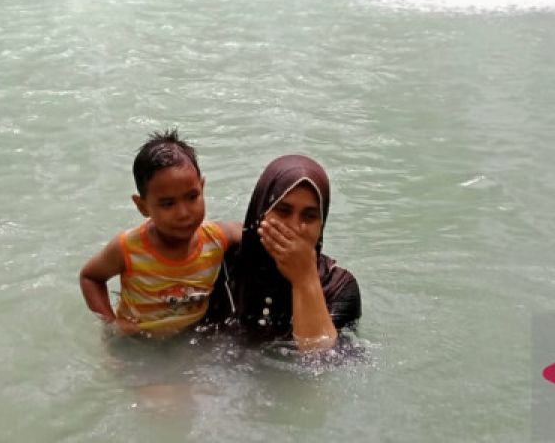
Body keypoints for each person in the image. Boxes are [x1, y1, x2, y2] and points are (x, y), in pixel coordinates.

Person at [79, 130, 242, 338]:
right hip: (138, 339)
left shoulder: (216, 238)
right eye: (168, 204)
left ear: (202, 188)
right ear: (142, 206)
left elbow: (251, 231)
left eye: (192, 197)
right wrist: (111, 323)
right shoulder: (128, 248)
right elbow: (90, 277)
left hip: (191, 336)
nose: (183, 213)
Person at [207, 155, 360, 352]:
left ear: (321, 226)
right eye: (283, 211)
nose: (295, 227)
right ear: (261, 212)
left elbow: (319, 364)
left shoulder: (338, 287)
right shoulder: (221, 265)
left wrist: (305, 278)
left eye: (309, 216)